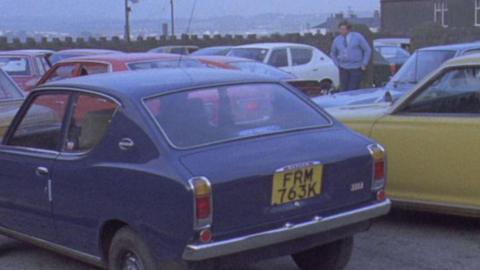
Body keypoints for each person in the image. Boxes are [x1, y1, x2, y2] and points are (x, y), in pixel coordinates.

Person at [330, 21, 372, 91]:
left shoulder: (357, 37)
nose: (341, 31)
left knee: (353, 89)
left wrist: (364, 63)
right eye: (340, 29)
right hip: (343, 68)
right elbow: (333, 53)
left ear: (348, 29)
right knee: (343, 89)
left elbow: (367, 50)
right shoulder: (337, 40)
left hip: (356, 67)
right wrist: (337, 64)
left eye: (343, 29)